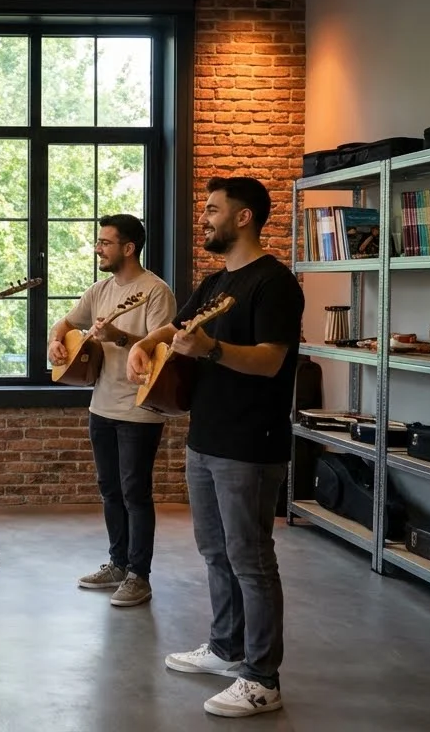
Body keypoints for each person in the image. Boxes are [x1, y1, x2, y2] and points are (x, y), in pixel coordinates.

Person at [126, 177, 304, 718]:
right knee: (214, 551)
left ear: (243, 218)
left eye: (212, 210)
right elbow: (176, 328)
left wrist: (213, 348)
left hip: (252, 442)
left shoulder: (274, 284)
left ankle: (262, 677)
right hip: (206, 437)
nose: (203, 218)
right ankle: (227, 648)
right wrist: (143, 344)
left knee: (250, 559)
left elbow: (272, 359)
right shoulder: (213, 283)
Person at [46, 214, 176, 607]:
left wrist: (117, 335)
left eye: (105, 242)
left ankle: (140, 575)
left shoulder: (155, 292)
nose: (98, 248)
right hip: (101, 405)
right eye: (99, 242)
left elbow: (161, 348)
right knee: (110, 490)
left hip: (139, 407)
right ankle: (118, 563)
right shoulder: (100, 289)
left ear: (128, 248)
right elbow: (66, 322)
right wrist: (56, 341)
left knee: (136, 492)